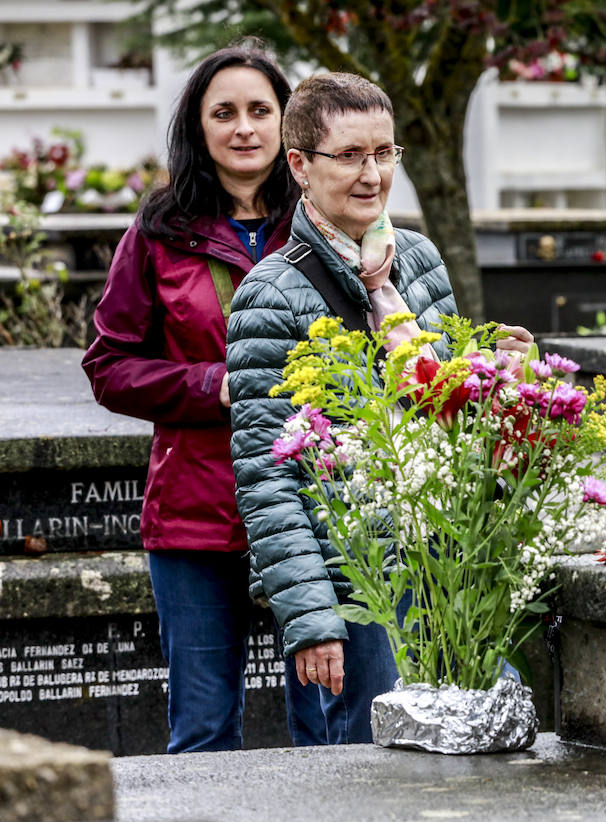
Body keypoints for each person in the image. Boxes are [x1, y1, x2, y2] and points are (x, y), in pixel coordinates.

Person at [227, 72, 533, 744]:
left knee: (489, 748)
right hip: (359, 582)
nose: (373, 175)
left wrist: (501, 387)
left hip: (449, 564)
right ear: (300, 165)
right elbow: (267, 473)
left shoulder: (417, 260)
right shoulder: (269, 294)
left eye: (385, 154)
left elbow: (456, 423)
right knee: (374, 774)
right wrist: (311, 619)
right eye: (351, 156)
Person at [82, 43, 322, 752]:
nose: (244, 127)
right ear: (199, 127)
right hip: (195, 514)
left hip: (316, 509)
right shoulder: (159, 232)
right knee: (204, 731)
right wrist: (209, 384)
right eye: (225, 113)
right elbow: (109, 364)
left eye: (260, 110)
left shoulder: (323, 224)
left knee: (332, 728)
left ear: (289, 125)